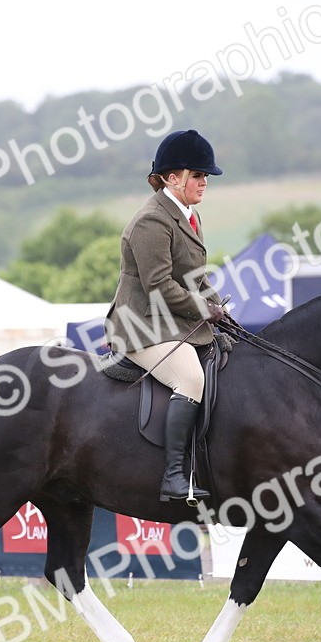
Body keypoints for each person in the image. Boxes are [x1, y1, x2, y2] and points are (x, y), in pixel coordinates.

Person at [105, 129, 227, 503]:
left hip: (171, 321)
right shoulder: (151, 222)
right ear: (173, 177)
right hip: (142, 325)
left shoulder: (188, 215)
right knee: (190, 378)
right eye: (198, 175)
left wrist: (221, 308)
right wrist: (203, 309)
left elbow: (194, 277)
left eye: (206, 176)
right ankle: (174, 476)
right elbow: (158, 285)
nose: (204, 183)